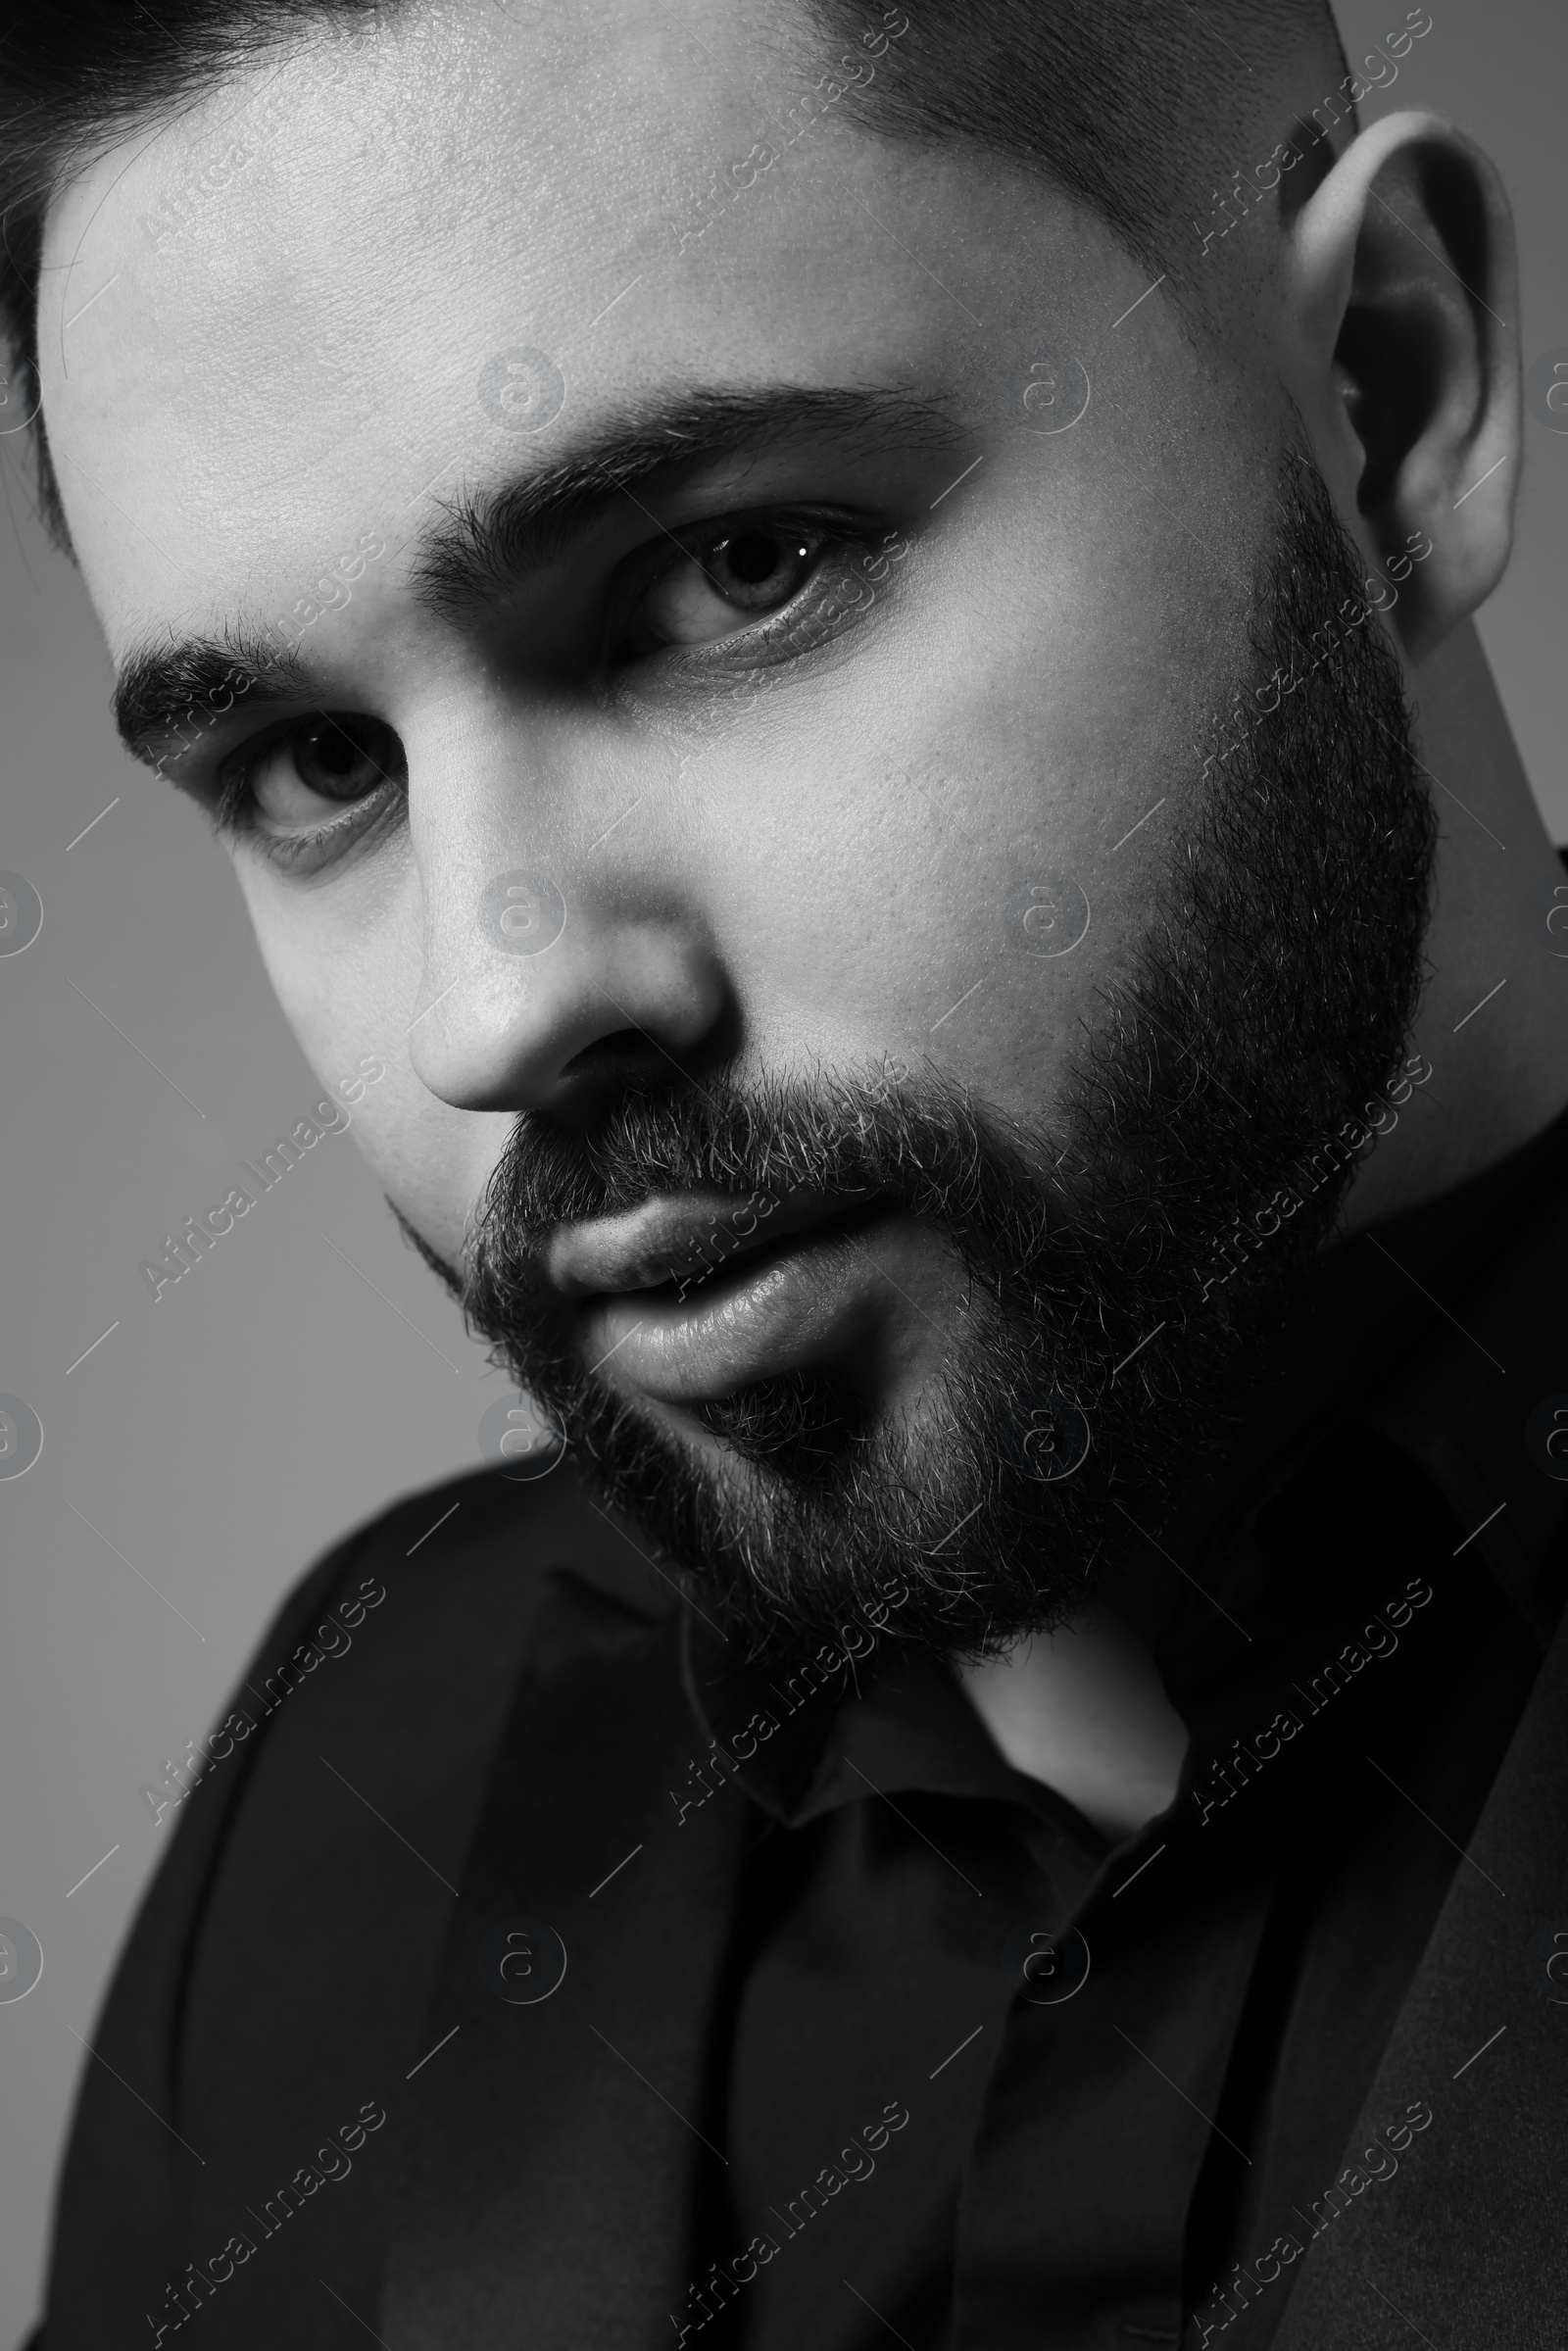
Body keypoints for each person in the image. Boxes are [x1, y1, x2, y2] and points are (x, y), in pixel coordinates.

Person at [9, 0, 1567, 2342]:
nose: (494, 1007)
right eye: (317, 759)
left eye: (736, 571)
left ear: (1380, 399)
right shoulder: (353, 1777)